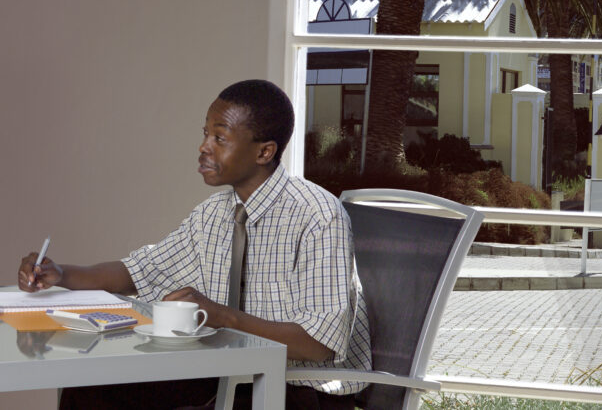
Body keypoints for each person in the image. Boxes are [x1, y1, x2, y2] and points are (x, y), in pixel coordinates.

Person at [17, 79, 371, 410]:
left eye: (220, 138)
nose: (203, 147)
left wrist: (221, 316)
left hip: (300, 390)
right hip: (228, 372)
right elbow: (137, 272)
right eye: (205, 134)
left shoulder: (318, 216)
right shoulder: (215, 214)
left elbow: (319, 344)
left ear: (264, 152)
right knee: (91, 391)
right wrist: (61, 273)